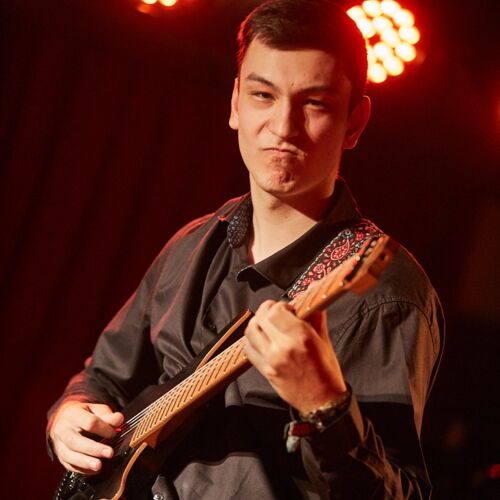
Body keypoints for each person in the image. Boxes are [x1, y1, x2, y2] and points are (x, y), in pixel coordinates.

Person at [47, 0, 444, 498]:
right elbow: (104, 376)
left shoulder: (387, 295)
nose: (283, 126)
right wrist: (68, 415)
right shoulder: (193, 242)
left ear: (355, 122)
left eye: (314, 104)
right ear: (236, 103)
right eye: (263, 95)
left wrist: (326, 406)